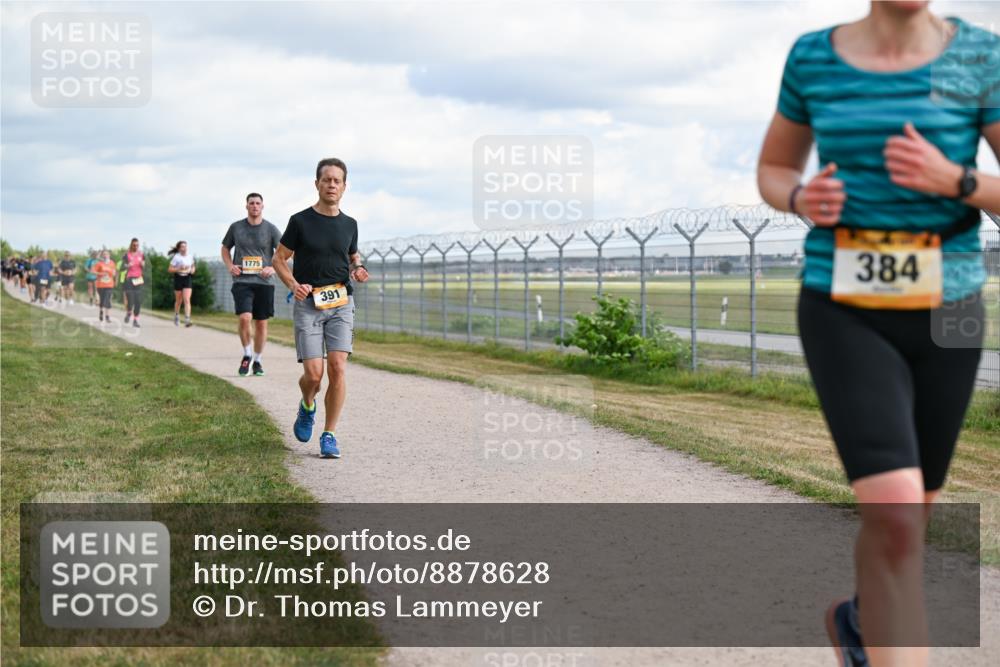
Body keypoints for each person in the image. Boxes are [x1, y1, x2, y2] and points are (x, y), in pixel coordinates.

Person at [757, 3, 999, 665]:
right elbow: (774, 170)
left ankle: (859, 620)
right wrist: (801, 198)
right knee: (894, 515)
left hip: (950, 309)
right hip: (843, 302)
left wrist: (958, 179)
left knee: (908, 520)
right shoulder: (814, 57)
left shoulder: (978, 56)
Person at [273, 158, 369, 459]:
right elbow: (279, 259)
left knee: (338, 368)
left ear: (344, 186)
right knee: (314, 376)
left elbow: (353, 254)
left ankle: (329, 435)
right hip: (309, 303)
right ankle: (307, 405)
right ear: (317, 184)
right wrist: (293, 285)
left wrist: (359, 267)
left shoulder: (350, 224)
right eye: (326, 180)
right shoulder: (300, 221)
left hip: (341, 302)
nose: (331, 185)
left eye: (337, 180)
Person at [221, 193, 283, 376]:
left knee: (261, 323)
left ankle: (257, 360)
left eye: (258, 203)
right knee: (244, 318)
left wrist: (272, 268)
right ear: (246, 206)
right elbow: (225, 248)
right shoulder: (236, 227)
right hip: (242, 280)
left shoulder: (271, 229)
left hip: (264, 282)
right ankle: (247, 354)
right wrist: (230, 265)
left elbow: (285, 252)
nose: (255, 206)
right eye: (251, 203)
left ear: (262, 206)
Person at [168, 240, 196, 327]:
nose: (184, 248)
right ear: (179, 249)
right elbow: (170, 269)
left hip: (187, 278)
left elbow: (193, 266)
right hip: (178, 278)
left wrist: (192, 270)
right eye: (182, 247)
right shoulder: (176, 257)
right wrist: (179, 268)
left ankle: (187, 319)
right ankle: (176, 315)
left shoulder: (190, 257)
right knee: (179, 300)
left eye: (185, 246)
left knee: (187, 300)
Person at [121, 238, 145, 327]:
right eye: (134, 245)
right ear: (131, 245)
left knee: (138, 301)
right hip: (129, 279)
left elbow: (143, 266)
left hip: (138, 279)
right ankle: (129, 312)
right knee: (130, 300)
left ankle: (135, 320)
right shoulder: (126, 255)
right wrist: (127, 265)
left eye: (137, 245)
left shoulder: (141, 254)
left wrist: (143, 265)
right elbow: (122, 267)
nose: (136, 246)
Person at [92, 249, 117, 322]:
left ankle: (107, 316)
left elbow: (114, 272)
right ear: (102, 255)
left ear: (109, 255)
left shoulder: (112, 263)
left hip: (109, 284)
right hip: (101, 285)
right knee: (102, 301)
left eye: (107, 254)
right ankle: (101, 311)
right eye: (104, 254)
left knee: (108, 299)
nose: (105, 255)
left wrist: (114, 274)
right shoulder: (99, 263)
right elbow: (93, 271)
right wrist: (101, 274)